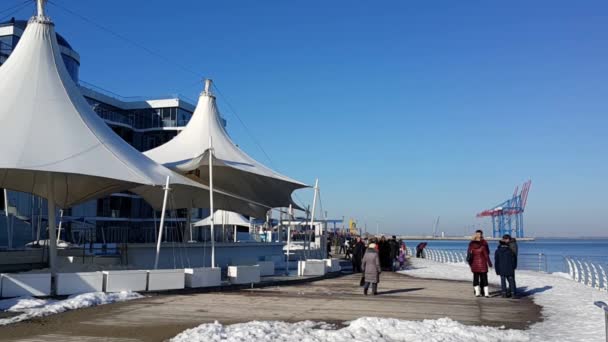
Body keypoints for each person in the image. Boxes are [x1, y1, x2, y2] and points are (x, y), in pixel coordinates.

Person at [468, 232, 493, 297]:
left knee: (476, 278)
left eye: (479, 234)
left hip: (474, 263)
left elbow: (469, 254)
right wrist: (490, 264)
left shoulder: (472, 245)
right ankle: (485, 293)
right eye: (478, 234)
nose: (479, 235)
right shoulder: (483, 245)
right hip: (483, 263)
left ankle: (477, 292)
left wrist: (470, 263)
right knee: (484, 278)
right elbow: (487, 254)